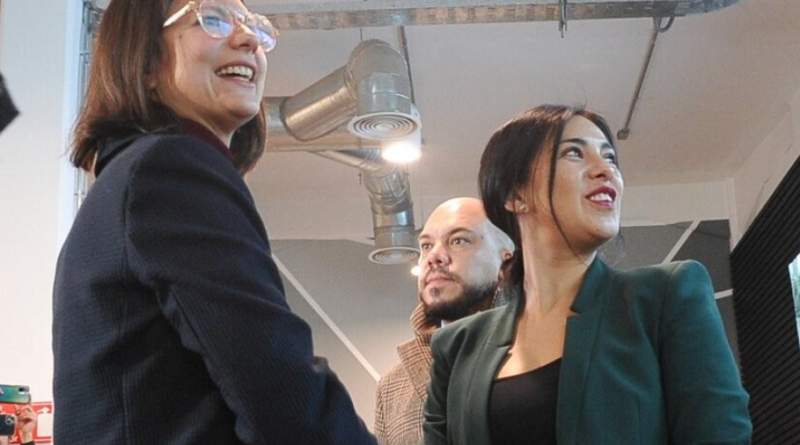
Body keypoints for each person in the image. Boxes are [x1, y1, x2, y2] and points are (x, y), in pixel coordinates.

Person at [52, 1, 376, 444]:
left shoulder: (128, 179)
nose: (249, 39)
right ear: (145, 60)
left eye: (255, 27)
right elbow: (282, 391)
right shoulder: (171, 168)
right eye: (214, 19)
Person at [422, 105, 752, 444]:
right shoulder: (456, 347)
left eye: (610, 158)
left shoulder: (665, 297)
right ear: (515, 194)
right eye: (574, 153)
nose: (606, 170)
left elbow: (720, 435)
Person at [373, 197, 514, 445]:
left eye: (459, 240)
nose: (434, 256)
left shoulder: (544, 350)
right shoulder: (393, 385)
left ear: (505, 264)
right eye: (426, 246)